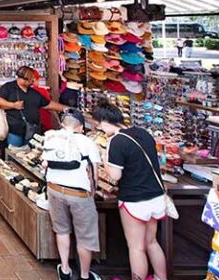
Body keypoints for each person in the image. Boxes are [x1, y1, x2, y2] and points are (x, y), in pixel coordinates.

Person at [94, 98, 168, 280]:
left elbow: (115, 175)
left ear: (104, 122)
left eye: (99, 126)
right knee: (152, 242)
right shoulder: (143, 133)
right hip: (156, 196)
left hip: (134, 200)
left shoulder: (116, 142)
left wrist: (103, 157)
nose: (101, 130)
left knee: (136, 247)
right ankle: (160, 277)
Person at [43, 108, 102, 280]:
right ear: (81, 127)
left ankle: (66, 270)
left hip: (54, 189)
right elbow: (94, 173)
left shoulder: (50, 137)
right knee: (85, 236)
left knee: (61, 231)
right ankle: (84, 275)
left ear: (62, 124)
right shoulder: (87, 142)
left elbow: (45, 164)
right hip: (79, 194)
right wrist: (93, 191)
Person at [0, 66, 68, 148]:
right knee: (13, 154)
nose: (33, 81)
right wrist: (13, 105)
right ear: (24, 79)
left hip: (32, 130)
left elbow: (48, 104)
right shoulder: (8, 87)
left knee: (30, 155)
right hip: (15, 131)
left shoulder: (33, 92)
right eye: (31, 79)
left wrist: (66, 109)